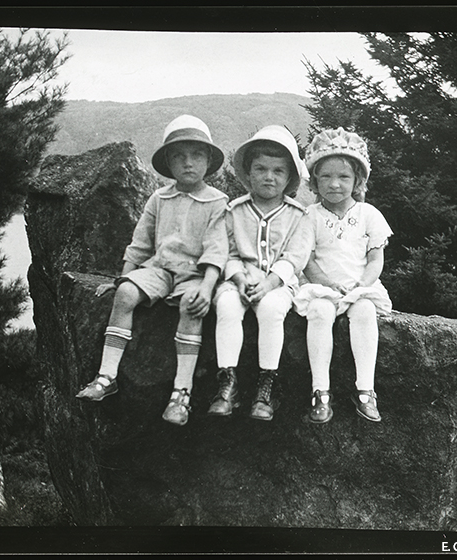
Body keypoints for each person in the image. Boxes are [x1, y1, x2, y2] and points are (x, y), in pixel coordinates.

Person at [76, 115, 229, 427]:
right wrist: (124, 276)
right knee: (126, 293)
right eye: (179, 156)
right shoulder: (159, 198)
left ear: (209, 160)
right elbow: (140, 243)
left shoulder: (217, 202)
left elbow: (217, 249)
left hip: (194, 275)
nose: (188, 163)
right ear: (168, 163)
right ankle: (106, 375)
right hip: (159, 270)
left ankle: (181, 393)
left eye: (197, 155)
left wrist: (207, 286)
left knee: (191, 306)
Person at [208, 125, 312, 421]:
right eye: (261, 169)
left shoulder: (297, 215)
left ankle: (267, 383)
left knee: (270, 309)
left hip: (278, 284)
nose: (269, 177)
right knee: (226, 304)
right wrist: (238, 278)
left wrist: (270, 282)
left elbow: (296, 256)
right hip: (240, 279)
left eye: (279, 171)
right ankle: (227, 383)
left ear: (290, 177)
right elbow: (227, 252)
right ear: (248, 173)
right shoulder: (235, 211)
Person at [293, 127, 393, 424]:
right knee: (320, 311)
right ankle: (320, 391)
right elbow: (306, 260)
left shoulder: (368, 214)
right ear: (314, 181)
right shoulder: (310, 217)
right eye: (326, 177)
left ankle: (365, 389)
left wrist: (364, 283)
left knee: (364, 311)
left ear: (358, 181)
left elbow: (375, 257)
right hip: (323, 288)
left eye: (344, 177)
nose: (334, 184)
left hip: (359, 287)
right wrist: (324, 282)